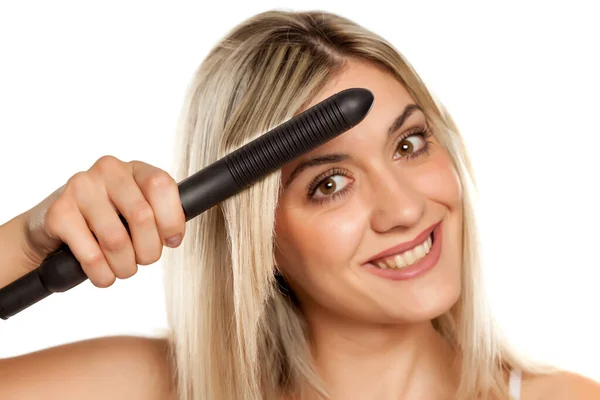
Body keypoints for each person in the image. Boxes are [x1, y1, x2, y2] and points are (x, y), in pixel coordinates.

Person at [0, 9, 598, 400]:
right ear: (254, 233)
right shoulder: (147, 387)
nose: (405, 209)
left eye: (409, 144)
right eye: (329, 182)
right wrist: (24, 242)